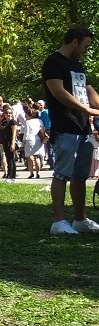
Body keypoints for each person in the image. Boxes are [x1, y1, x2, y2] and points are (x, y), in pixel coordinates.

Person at [42, 25, 99, 234]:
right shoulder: (53, 62)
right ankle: (58, 221)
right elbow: (58, 92)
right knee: (62, 174)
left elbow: (91, 94)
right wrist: (86, 109)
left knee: (80, 176)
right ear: (74, 41)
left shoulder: (78, 66)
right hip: (65, 126)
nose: (86, 50)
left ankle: (80, 220)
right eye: (85, 46)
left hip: (83, 127)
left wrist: (93, 108)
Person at [24, 106, 47, 179]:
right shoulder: (39, 121)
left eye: (26, 115)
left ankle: (31, 173)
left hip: (30, 139)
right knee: (37, 157)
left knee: (30, 157)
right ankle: (38, 173)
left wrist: (23, 141)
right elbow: (43, 129)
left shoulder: (28, 122)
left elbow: (26, 133)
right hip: (38, 139)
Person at [0, 103, 18, 180]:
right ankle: (10, 174)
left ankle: (11, 175)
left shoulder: (13, 122)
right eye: (6, 113)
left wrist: (13, 143)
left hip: (10, 142)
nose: (8, 114)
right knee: (8, 158)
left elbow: (14, 133)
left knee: (11, 159)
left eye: (10, 113)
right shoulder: (4, 122)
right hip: (5, 142)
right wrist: (1, 119)